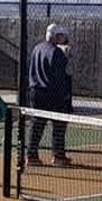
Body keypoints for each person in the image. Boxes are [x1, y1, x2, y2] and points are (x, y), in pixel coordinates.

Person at [26, 23, 73, 167]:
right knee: (59, 125)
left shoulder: (37, 48)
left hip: (36, 92)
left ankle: (31, 155)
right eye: (62, 36)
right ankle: (58, 156)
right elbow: (60, 76)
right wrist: (65, 96)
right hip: (53, 94)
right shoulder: (57, 52)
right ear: (57, 36)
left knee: (37, 125)